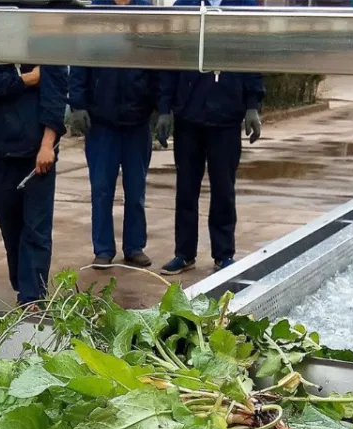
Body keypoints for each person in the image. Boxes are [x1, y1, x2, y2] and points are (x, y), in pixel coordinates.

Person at [156, 0, 264, 275]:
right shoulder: (186, 6)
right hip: (188, 118)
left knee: (224, 191)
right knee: (186, 191)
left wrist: (252, 104)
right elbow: (172, 60)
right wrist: (165, 109)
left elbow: (251, 57)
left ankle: (223, 254)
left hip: (226, 119)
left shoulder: (243, 7)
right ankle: (184, 253)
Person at [0, 61, 68, 305]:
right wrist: (27, 80)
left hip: (37, 154)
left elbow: (55, 91)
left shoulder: (44, 39)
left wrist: (47, 144)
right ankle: (22, 286)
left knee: (36, 229)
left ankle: (32, 297)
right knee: (10, 226)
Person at [68, 0, 158, 269]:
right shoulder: (95, 13)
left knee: (136, 188)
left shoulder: (146, 13)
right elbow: (80, 61)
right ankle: (103, 249)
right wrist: (77, 104)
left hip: (137, 123)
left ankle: (134, 247)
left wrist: (160, 107)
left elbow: (158, 64)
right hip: (101, 123)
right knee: (101, 188)